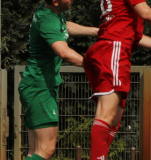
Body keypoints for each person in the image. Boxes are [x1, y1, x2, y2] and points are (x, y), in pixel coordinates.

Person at [83, 0, 151, 159]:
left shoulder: (122, 16)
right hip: (114, 48)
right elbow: (146, 13)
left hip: (108, 48)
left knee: (114, 118)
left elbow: (133, 35)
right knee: (106, 114)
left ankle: (101, 156)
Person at [18, 0, 98, 160]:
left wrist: (97, 31)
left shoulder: (50, 12)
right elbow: (64, 52)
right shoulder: (48, 19)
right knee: (46, 149)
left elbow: (65, 26)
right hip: (40, 87)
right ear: (55, 2)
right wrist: (96, 67)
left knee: (34, 151)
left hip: (35, 84)